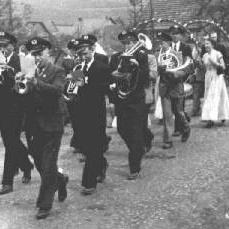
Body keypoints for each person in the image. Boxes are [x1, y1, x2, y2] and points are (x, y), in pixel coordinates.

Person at [24, 37, 69, 219]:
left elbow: (57, 91)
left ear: (47, 53)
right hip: (34, 124)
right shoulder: (27, 71)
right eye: (32, 54)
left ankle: (44, 204)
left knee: (48, 163)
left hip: (52, 122)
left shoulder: (57, 70)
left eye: (38, 54)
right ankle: (59, 180)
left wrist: (36, 83)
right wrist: (21, 83)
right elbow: (19, 93)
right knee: (39, 161)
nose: (36, 58)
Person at [70, 37, 110, 195]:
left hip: (96, 110)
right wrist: (71, 90)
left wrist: (88, 84)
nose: (83, 56)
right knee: (87, 145)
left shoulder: (101, 67)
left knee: (93, 145)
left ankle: (89, 182)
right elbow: (76, 89)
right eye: (81, 54)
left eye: (86, 53)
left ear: (92, 51)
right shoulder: (77, 66)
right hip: (81, 110)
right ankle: (102, 164)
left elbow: (106, 87)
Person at [0, 31, 33, 195]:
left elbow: (26, 84)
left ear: (13, 45)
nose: (3, 48)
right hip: (0, 105)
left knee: (11, 143)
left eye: (5, 45)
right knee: (9, 140)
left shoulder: (21, 59)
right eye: (0, 45)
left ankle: (7, 182)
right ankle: (25, 164)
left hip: (16, 106)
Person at [109, 30, 151, 180]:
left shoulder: (141, 56)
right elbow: (110, 75)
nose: (127, 45)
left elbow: (146, 78)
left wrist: (137, 67)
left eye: (130, 42)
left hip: (136, 99)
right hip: (121, 99)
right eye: (125, 43)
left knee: (136, 132)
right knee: (122, 129)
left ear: (135, 42)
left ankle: (134, 168)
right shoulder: (115, 57)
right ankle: (140, 147)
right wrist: (114, 75)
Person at [156, 32, 191, 150]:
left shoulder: (177, 54)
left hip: (175, 86)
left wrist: (173, 74)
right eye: (160, 43)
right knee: (167, 115)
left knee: (179, 112)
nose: (161, 45)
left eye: (163, 43)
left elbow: (184, 70)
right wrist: (159, 71)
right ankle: (168, 140)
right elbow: (155, 70)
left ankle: (186, 128)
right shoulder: (158, 55)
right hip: (164, 87)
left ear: (169, 43)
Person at [201, 39, 229, 127]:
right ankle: (218, 115)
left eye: (207, 44)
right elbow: (204, 67)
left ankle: (211, 118)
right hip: (208, 76)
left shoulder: (217, 53)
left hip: (217, 76)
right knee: (208, 96)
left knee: (215, 96)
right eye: (205, 44)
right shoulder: (204, 55)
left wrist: (214, 63)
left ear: (212, 44)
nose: (206, 45)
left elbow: (223, 66)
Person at [169, 25, 192, 136]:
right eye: (173, 33)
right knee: (172, 106)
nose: (175, 36)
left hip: (180, 79)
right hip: (168, 79)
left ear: (180, 35)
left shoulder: (186, 47)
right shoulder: (167, 46)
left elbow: (188, 63)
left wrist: (181, 74)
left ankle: (179, 128)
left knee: (179, 104)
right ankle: (184, 118)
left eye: (177, 33)